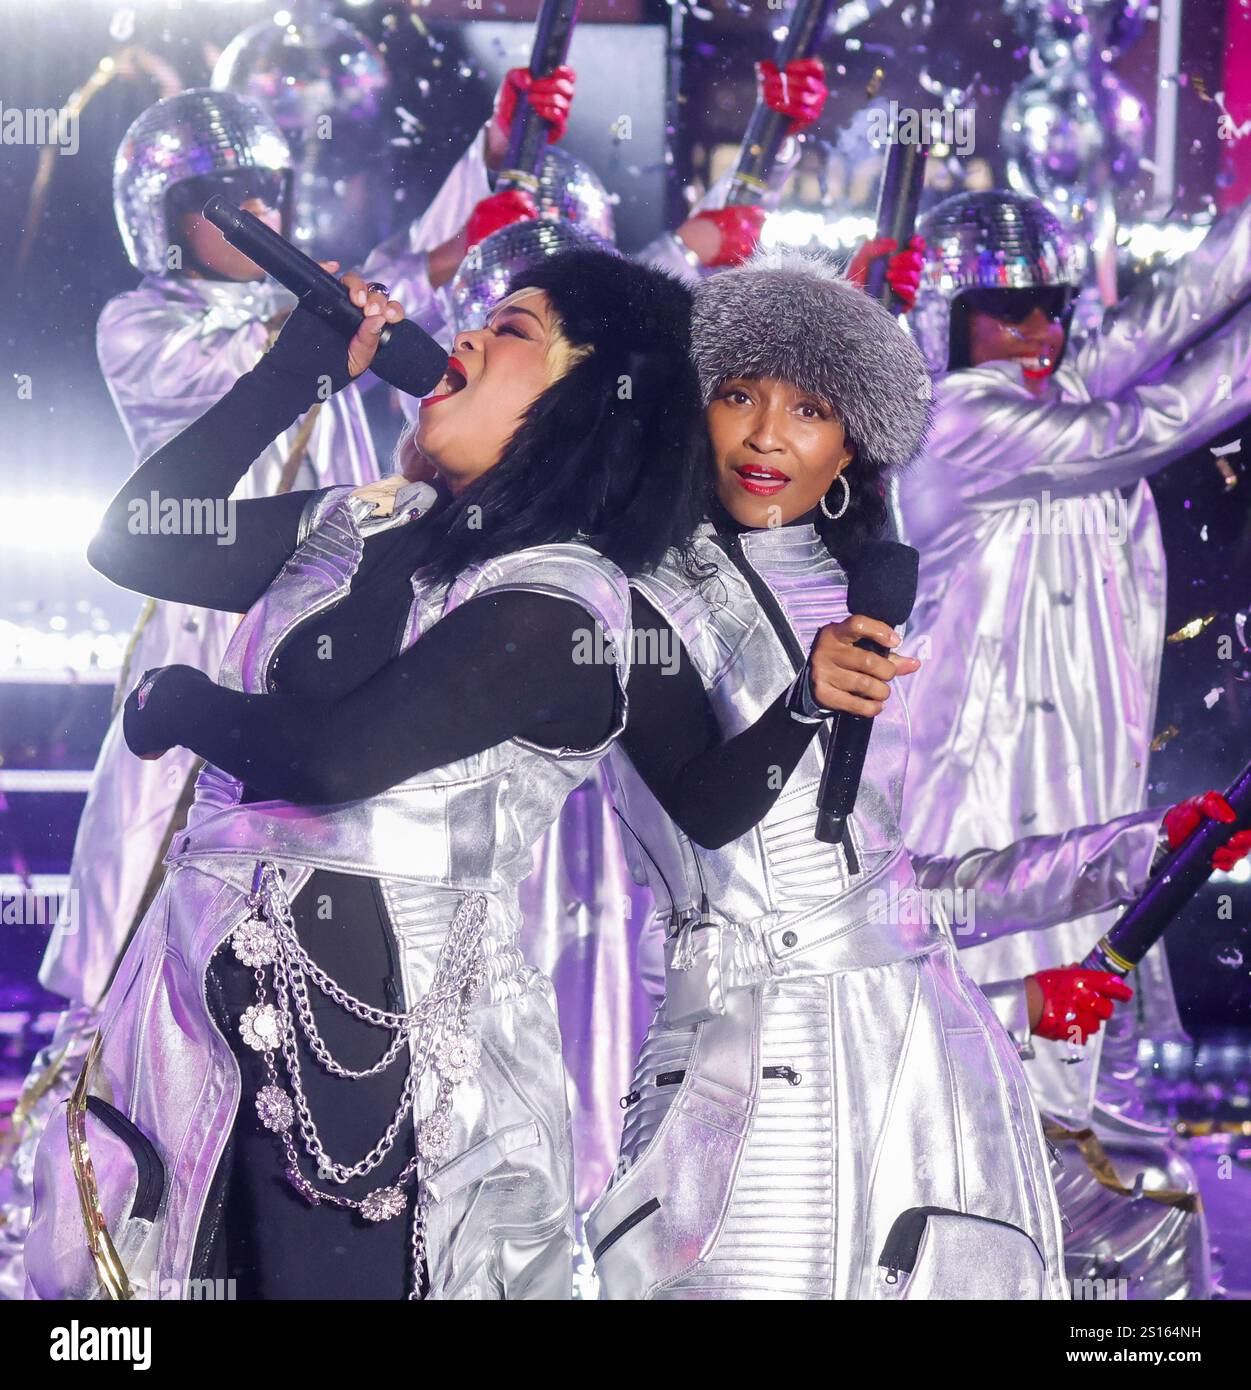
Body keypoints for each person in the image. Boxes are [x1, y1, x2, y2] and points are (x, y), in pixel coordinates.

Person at [22, 246, 708, 1301]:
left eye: (514, 328)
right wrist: (293, 371)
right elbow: (136, 542)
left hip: (380, 1047)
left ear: (593, 396)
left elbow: (335, 758)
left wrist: (178, 705)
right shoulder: (361, 520)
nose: (465, 335)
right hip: (200, 1005)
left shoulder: (568, 600)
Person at [585, 246, 1070, 1300]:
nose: (767, 436)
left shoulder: (879, 596)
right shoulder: (631, 595)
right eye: (737, 396)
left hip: (924, 1059)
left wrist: (1119, 858)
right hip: (742, 1053)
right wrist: (805, 698)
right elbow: (710, 810)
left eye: (809, 407)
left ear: (852, 441)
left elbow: (900, 876)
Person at [0, 88, 380, 1300]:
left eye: (270, 197)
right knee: (137, 941)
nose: (259, 220)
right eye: (228, 204)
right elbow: (232, 407)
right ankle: (91, 1244)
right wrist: (331, 330)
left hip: (317, 658)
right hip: (199, 659)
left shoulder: (319, 314)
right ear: (165, 220)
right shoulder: (142, 323)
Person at [895, 188, 1251, 1297]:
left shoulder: (1047, 412)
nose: (1040, 332)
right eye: (1008, 312)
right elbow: (1167, 413)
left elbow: (1167, 313)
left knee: (1137, 1204)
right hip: (984, 883)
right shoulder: (957, 424)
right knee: (1001, 1206)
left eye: (1051, 307)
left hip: (1092, 865)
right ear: (950, 321)